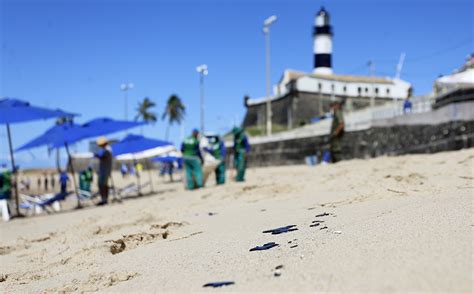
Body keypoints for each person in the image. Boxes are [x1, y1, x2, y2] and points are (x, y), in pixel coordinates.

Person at [94, 137, 113, 205]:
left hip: (105, 171)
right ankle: (104, 199)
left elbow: (104, 158)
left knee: (103, 185)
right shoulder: (106, 149)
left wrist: (97, 156)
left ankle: (104, 199)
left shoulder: (107, 150)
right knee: (102, 185)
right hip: (104, 171)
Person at [329, 97, 345, 163]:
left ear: (336, 105)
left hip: (336, 137)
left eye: (333, 106)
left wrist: (335, 133)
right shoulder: (336, 113)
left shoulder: (338, 112)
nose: (332, 108)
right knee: (333, 151)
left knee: (336, 151)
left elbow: (341, 124)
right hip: (335, 137)